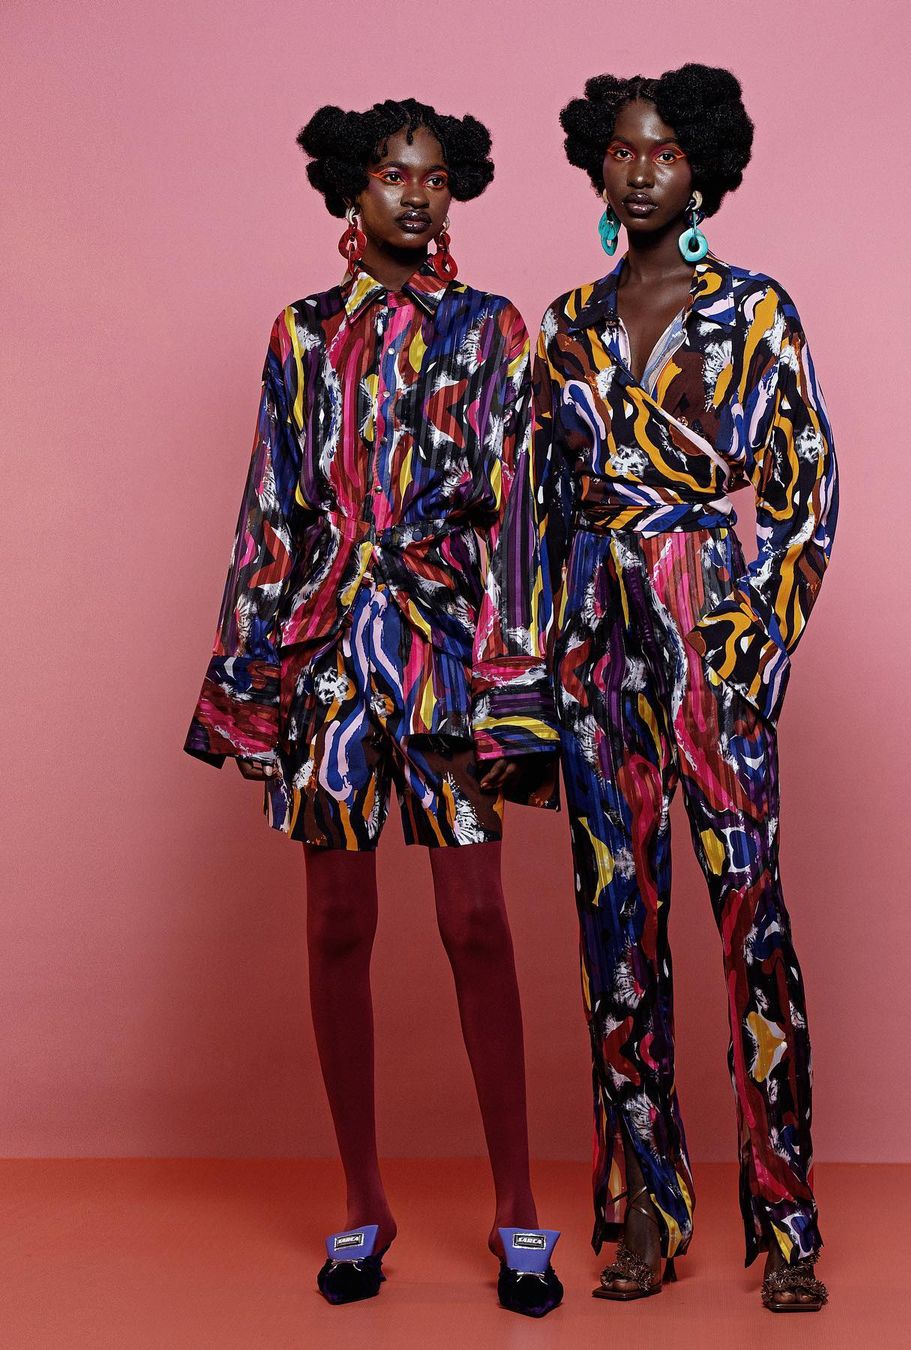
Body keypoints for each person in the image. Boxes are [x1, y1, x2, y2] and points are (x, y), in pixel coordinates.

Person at [183, 97, 561, 1318]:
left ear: (456, 192)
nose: (415, 194)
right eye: (393, 174)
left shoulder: (494, 331)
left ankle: (517, 1207)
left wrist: (514, 692)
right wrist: (251, 688)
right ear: (351, 187)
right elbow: (269, 512)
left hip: (447, 657)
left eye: (436, 176)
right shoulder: (300, 336)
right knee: (338, 925)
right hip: (328, 660)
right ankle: (362, 1203)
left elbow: (518, 518)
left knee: (477, 921)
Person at [473, 63, 837, 1312]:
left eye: (666, 152)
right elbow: (524, 515)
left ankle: (787, 1224)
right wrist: (521, 688)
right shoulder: (564, 325)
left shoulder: (755, 311)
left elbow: (807, 492)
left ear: (704, 170)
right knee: (615, 934)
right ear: (598, 164)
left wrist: (745, 648)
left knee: (752, 927)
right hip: (593, 641)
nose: (641, 172)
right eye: (623, 151)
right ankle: (646, 1213)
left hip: (707, 622)